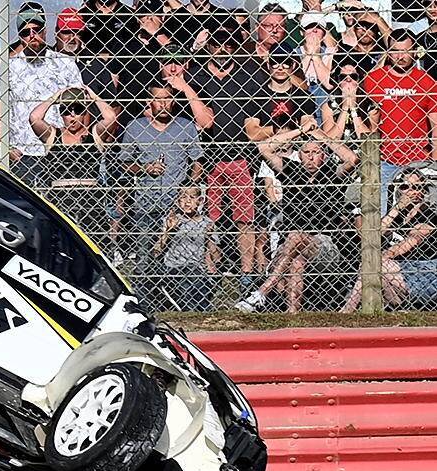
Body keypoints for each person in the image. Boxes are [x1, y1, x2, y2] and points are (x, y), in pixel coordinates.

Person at [236, 123, 359, 313]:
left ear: (323, 155)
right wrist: (300, 131)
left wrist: (320, 135)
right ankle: (293, 313)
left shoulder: (331, 175)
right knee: (297, 261)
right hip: (293, 248)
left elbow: (352, 158)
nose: (310, 157)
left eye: (316, 152)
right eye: (306, 152)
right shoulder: (291, 171)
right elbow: (264, 148)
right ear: (299, 155)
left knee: (295, 236)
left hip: (324, 244)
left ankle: (260, 293)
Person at [186, 29, 267, 282]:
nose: (222, 49)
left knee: (244, 217)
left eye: (228, 45)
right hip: (210, 157)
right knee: (211, 218)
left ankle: (246, 271)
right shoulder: (197, 76)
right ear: (209, 47)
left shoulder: (248, 76)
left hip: (241, 157)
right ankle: (211, 270)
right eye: (217, 45)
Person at [117, 82, 203, 301]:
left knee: (180, 256)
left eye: (168, 98)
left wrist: (188, 189)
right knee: (146, 255)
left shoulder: (185, 126)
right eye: (158, 99)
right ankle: (144, 301)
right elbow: (125, 162)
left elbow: (198, 161)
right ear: (150, 101)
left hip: (177, 205)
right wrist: (145, 168)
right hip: (146, 203)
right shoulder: (135, 127)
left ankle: (181, 300)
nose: (163, 103)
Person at [0, 2, 82, 185]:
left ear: (45, 30)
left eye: (36, 29)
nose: (32, 36)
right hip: (21, 154)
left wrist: (73, 145)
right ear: (20, 36)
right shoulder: (8, 67)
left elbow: (81, 110)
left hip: (58, 151)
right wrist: (5, 148)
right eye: (25, 32)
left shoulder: (65, 64)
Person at [364, 29, 437, 215]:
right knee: (380, 213)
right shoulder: (374, 80)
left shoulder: (427, 82)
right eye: (395, 51)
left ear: (414, 52)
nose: (401, 56)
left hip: (419, 160)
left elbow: (435, 126)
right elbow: (369, 120)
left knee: (419, 213)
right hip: (386, 158)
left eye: (405, 51)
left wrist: (433, 162)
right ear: (388, 53)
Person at [343, 169, 437, 309]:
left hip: (424, 273)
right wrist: (397, 208)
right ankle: (398, 309)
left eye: (417, 187)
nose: (411, 191)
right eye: (405, 187)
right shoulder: (399, 217)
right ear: (398, 190)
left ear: (423, 192)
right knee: (373, 266)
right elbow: (372, 235)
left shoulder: (429, 215)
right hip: (399, 273)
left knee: (373, 263)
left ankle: (347, 309)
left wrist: (384, 256)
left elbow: (412, 240)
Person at [30, 85, 116, 225]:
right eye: (66, 110)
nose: (72, 115)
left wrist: (93, 98)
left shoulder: (94, 135)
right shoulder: (53, 135)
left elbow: (111, 117)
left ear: (85, 112)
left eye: (78, 110)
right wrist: (54, 98)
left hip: (90, 199)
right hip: (60, 198)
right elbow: (34, 118)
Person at [152, 185, 221, 311]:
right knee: (190, 281)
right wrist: (168, 231)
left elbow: (217, 257)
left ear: (200, 201)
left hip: (198, 268)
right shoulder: (172, 220)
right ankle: (195, 311)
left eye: (192, 197)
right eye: (183, 197)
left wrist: (209, 237)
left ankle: (197, 311)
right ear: (177, 201)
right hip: (173, 267)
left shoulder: (207, 223)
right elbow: (156, 252)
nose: (187, 201)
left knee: (198, 279)